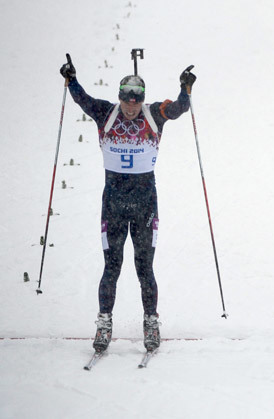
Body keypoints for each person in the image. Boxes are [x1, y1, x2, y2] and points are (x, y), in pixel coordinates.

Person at [59, 57, 197, 353]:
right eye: (126, 101)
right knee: (112, 265)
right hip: (113, 204)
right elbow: (82, 99)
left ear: (142, 101)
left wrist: (185, 89)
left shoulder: (154, 114)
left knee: (144, 266)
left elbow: (179, 108)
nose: (131, 108)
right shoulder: (106, 114)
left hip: (145, 204)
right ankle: (104, 323)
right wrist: (71, 79)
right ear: (119, 98)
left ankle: (151, 322)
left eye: (136, 102)